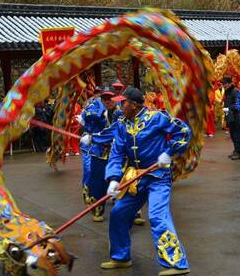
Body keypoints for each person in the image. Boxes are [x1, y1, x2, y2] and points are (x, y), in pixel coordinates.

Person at [101, 87, 191, 276]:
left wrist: (169, 152)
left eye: (123, 102)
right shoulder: (121, 124)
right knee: (118, 213)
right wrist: (113, 179)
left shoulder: (157, 117)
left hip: (158, 177)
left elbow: (183, 131)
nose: (119, 104)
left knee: (157, 216)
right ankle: (120, 257)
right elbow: (117, 153)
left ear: (134, 105)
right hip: (136, 178)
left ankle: (176, 262)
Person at [80, 85, 124, 222]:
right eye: (104, 98)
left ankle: (131, 212)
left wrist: (94, 138)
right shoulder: (96, 107)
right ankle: (98, 208)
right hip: (99, 151)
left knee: (123, 181)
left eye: (110, 98)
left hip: (118, 153)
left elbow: (114, 132)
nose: (107, 100)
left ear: (116, 98)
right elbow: (86, 116)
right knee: (97, 181)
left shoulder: (121, 113)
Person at [222, 76, 240, 160]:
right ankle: (235, 150)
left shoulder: (235, 91)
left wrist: (229, 108)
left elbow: (238, 104)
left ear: (230, 83)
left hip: (236, 117)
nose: (224, 85)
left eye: (225, 83)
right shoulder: (227, 91)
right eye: (223, 84)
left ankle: (238, 152)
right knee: (232, 134)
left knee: (236, 134)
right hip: (229, 116)